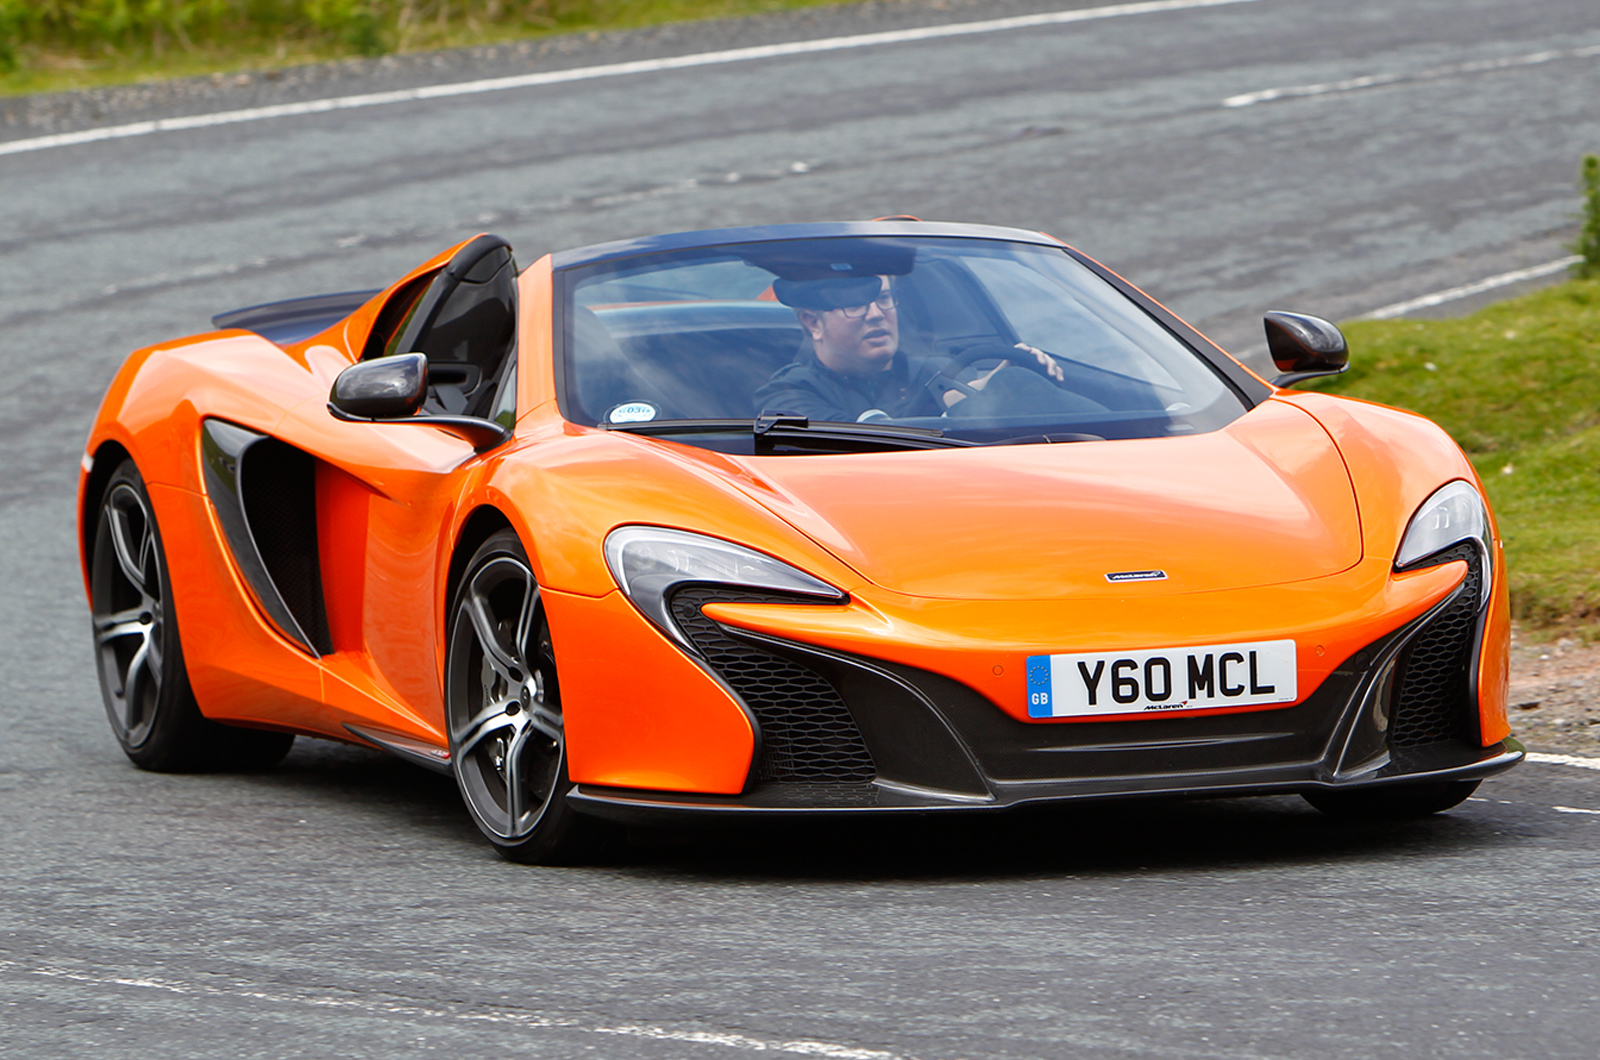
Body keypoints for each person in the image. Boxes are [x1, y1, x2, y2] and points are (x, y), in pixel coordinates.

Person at [751, 273, 1065, 423]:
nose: (875, 314)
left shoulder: (940, 370)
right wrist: (960, 399)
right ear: (813, 323)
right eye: (855, 305)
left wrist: (996, 388)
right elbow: (869, 438)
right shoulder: (787, 396)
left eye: (884, 299)